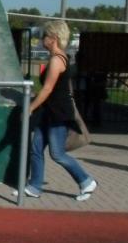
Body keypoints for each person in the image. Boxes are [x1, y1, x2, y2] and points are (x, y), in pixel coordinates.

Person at [21, 19, 98, 201]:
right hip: (49, 112)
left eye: (45, 36)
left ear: (53, 38)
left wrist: (30, 107)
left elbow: (47, 89)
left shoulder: (57, 60)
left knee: (57, 154)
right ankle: (35, 186)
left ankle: (86, 181)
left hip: (58, 114)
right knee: (36, 148)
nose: (42, 39)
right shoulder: (58, 57)